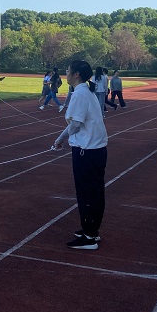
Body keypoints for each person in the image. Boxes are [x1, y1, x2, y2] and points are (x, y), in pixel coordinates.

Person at [52, 60, 108, 250]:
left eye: (67, 71)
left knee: (87, 193)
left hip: (87, 152)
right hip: (96, 150)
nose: (65, 73)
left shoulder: (80, 94)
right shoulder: (87, 92)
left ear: (76, 74)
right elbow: (76, 123)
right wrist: (60, 138)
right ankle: (92, 230)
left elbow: (75, 125)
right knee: (95, 192)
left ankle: (89, 236)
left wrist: (61, 139)